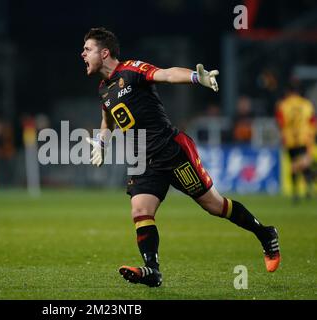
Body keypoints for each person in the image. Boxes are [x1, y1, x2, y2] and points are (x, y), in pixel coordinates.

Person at [81, 27, 280, 287]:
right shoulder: (103, 89)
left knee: (215, 205)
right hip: (144, 159)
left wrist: (197, 78)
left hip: (171, 150)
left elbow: (167, 74)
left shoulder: (131, 70)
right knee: (140, 210)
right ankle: (152, 271)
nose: (82, 54)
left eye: (87, 49)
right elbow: (108, 121)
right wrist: (101, 142)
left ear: (104, 52)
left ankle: (265, 234)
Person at [275, 83, 316, 202]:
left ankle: (295, 193)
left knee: (294, 165)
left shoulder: (283, 105)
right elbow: (312, 121)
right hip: (304, 138)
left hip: (290, 140)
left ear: (289, 92)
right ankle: (309, 186)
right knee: (304, 164)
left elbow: (280, 122)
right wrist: (311, 135)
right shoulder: (306, 104)